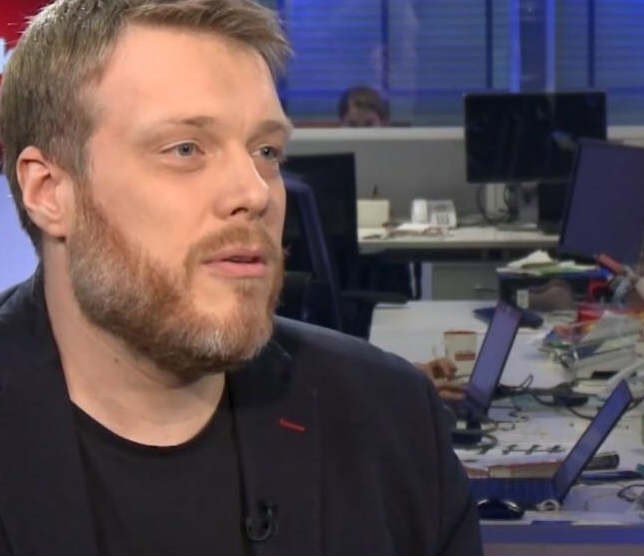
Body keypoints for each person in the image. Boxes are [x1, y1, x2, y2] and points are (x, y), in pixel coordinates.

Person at [0, 0, 481, 553]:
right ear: (49, 192)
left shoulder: (393, 420)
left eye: (266, 151)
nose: (255, 192)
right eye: (185, 149)